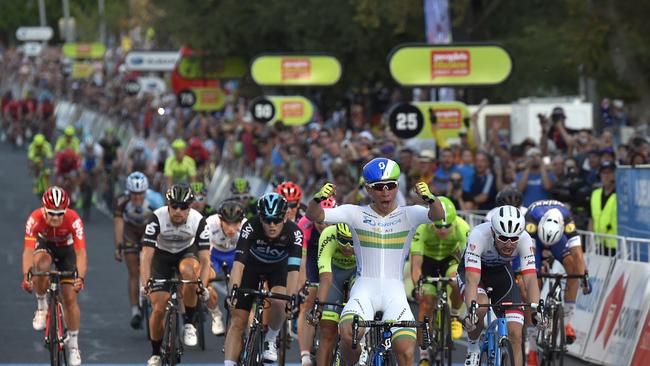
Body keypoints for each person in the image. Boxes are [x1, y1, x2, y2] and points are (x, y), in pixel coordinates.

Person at [305, 157, 445, 366]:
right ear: (369, 190)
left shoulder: (410, 214)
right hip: (364, 292)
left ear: (397, 187)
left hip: (395, 294)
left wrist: (430, 198)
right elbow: (314, 215)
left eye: (390, 186)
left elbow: (438, 215)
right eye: (379, 187)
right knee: (348, 335)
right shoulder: (355, 213)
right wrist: (317, 198)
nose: (385, 192)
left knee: (406, 352)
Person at [223, 193, 303, 366]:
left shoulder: (294, 232)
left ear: (285, 216)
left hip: (278, 269)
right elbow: (238, 266)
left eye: (277, 220)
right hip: (251, 267)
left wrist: (291, 298)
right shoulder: (250, 227)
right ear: (260, 217)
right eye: (267, 220)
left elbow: (293, 271)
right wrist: (233, 292)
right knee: (238, 320)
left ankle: (270, 339)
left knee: (280, 301)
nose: (272, 225)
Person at [458, 206, 542, 366]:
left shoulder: (525, 239)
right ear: (493, 232)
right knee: (479, 308)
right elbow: (472, 280)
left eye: (514, 238)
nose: (509, 244)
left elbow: (530, 278)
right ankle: (473, 349)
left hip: (500, 273)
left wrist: (537, 309)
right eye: (503, 238)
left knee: (516, 334)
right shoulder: (479, 235)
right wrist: (471, 310)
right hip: (474, 273)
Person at [141, 185, 211, 366]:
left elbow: (204, 259)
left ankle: (189, 322)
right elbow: (147, 255)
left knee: (189, 274)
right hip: (161, 257)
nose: (178, 211)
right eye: (174, 206)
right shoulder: (156, 218)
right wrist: (145, 283)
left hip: (186, 252)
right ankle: (156, 352)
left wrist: (201, 286)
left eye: (183, 207)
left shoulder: (198, 220)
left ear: (190, 207)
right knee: (158, 309)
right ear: (168, 205)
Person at [22, 187, 87, 366]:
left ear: (66, 210)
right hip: (45, 245)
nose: (56, 218)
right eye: (51, 213)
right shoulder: (34, 219)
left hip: (67, 250)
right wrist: (27, 276)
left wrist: (79, 278)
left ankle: (73, 345)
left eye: (60, 214)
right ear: (44, 209)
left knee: (69, 297)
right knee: (41, 266)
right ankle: (42, 306)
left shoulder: (74, 220)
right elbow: (28, 251)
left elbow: (81, 253)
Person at [524, 199, 590, 355]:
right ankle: (532, 349)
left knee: (573, 267)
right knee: (533, 282)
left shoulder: (567, 222)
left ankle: (567, 321)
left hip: (558, 240)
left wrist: (584, 278)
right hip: (536, 242)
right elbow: (529, 261)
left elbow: (578, 256)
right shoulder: (531, 222)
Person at [410, 196, 468, 365]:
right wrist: (417, 286)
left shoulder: (463, 227)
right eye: (438, 226)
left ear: (454, 223)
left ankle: (455, 316)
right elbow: (416, 264)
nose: (443, 230)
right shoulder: (422, 228)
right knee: (426, 305)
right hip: (427, 261)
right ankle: (423, 354)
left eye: (447, 226)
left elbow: (467, 262)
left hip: (449, 260)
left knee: (456, 281)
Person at [113, 172, 161, 329]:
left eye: (140, 194)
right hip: (131, 231)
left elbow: (163, 223)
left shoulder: (155, 199)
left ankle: (154, 301)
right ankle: (135, 311)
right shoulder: (122, 200)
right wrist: (119, 246)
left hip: (149, 229)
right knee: (133, 272)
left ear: (145, 191)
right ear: (128, 192)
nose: (137, 198)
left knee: (152, 265)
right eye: (134, 194)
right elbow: (119, 224)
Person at [295, 196, 337, 365]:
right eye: (320, 222)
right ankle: (305, 355)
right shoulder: (305, 224)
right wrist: (302, 285)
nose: (324, 226)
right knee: (307, 302)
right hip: (312, 258)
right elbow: (302, 261)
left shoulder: (342, 224)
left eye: (328, 222)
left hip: (333, 258)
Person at [312, 223, 357, 366]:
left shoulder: (363, 237)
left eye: (352, 242)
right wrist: (318, 308)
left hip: (357, 273)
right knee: (327, 331)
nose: (347, 246)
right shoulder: (328, 234)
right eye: (343, 240)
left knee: (354, 323)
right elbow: (326, 278)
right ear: (336, 235)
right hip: (333, 275)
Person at [204, 200, 247, 335]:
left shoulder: (247, 226)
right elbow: (203, 249)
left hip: (234, 254)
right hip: (214, 253)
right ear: (220, 220)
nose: (231, 229)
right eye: (227, 223)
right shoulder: (210, 223)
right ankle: (215, 313)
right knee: (205, 281)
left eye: (235, 224)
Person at [589, 161, 617, 256]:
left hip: (615, 244)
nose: (606, 176)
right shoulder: (595, 194)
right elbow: (591, 218)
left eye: (609, 173)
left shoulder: (621, 194)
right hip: (599, 243)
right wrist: (590, 240)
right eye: (603, 173)